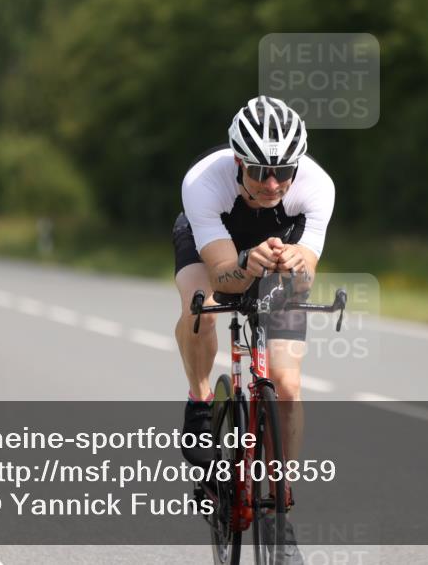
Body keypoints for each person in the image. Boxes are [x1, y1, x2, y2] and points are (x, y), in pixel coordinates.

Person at [172, 95, 334, 562]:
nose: (272, 183)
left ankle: (278, 513)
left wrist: (294, 262)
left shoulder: (317, 187)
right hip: (216, 248)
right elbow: (222, 275)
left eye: (284, 171)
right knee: (199, 308)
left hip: (278, 246)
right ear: (238, 161)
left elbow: (306, 273)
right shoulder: (204, 182)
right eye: (260, 171)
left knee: (286, 384)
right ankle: (200, 401)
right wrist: (245, 265)